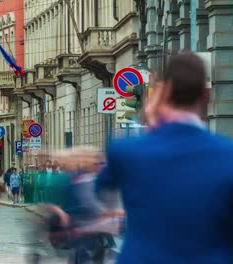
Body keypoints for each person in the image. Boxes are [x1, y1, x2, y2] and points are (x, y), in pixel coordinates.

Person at [96, 52, 233, 263]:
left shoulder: (125, 151)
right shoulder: (228, 155)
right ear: (206, 96)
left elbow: (102, 194)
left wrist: (151, 122)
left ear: (164, 93)